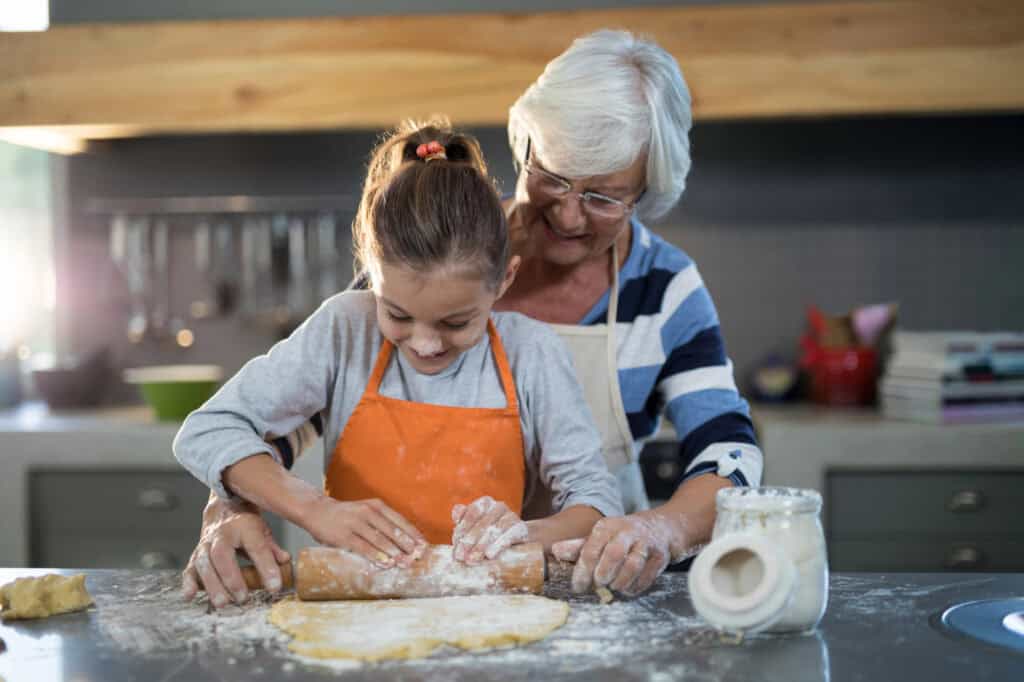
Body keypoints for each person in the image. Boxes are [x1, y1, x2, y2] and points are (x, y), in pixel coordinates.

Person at [185, 28, 764, 602]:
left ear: (646, 191)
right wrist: (229, 507)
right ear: (527, 146)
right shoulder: (422, 253)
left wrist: (660, 528)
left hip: (581, 581)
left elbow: (726, 448)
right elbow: (292, 415)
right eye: (554, 177)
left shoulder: (664, 289)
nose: (566, 215)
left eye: (603, 196)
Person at [174, 121, 623, 608]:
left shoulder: (531, 352)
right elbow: (209, 430)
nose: (426, 344)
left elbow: (596, 500)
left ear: (503, 281)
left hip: (486, 610)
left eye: (456, 322)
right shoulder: (345, 330)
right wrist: (313, 509)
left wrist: (523, 535)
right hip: (353, 612)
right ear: (371, 275)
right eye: (398, 315)